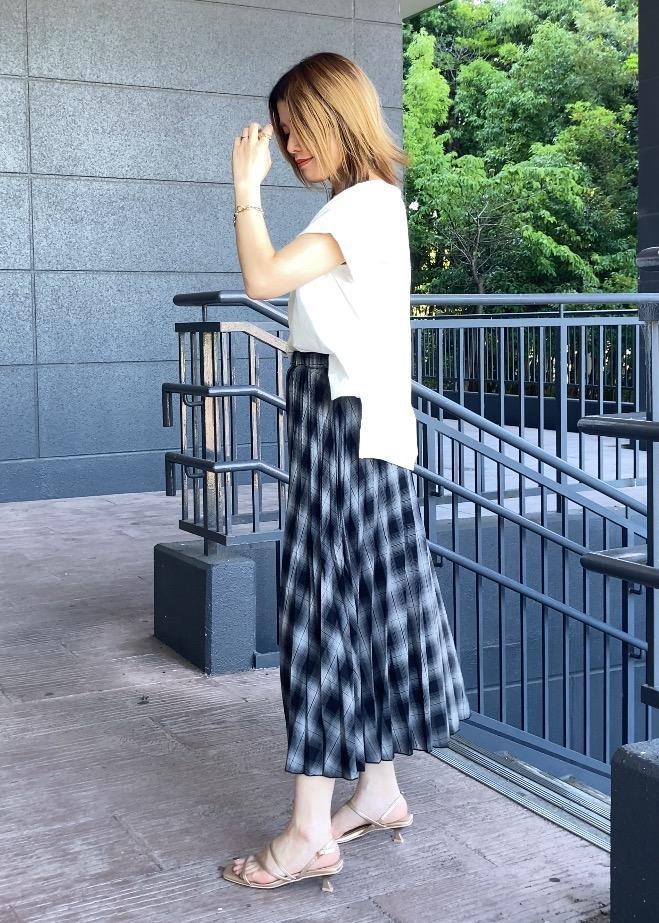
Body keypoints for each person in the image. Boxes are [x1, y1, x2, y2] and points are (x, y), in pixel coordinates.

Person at [222, 51, 471, 893]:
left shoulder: (360, 205)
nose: (290, 145)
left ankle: (307, 832)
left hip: (343, 425)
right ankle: (378, 790)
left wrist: (244, 188)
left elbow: (261, 276)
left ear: (339, 114)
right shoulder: (370, 202)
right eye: (281, 132)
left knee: (318, 610)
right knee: (362, 606)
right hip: (363, 427)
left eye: (299, 127)